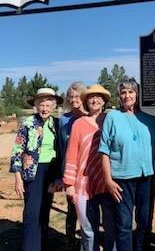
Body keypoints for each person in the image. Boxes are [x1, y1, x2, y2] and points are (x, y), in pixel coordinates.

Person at [99, 77, 155, 251]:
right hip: (121, 180)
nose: (127, 96)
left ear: (137, 94)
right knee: (124, 224)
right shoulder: (112, 117)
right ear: (119, 96)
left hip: (146, 177)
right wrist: (108, 180)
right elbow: (104, 151)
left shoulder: (148, 118)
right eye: (123, 92)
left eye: (131, 92)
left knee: (144, 221)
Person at [63, 83, 115, 251]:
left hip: (108, 182)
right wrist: (69, 184)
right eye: (91, 97)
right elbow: (71, 154)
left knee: (111, 229)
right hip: (84, 183)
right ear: (86, 101)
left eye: (98, 97)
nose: (94, 100)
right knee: (88, 231)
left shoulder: (111, 120)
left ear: (104, 100)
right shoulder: (79, 124)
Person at [10, 87, 63, 251]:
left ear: (53, 106)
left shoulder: (57, 123)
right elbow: (17, 151)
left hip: (51, 171)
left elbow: (61, 149)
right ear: (36, 105)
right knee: (32, 212)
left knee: (45, 210)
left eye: (48, 105)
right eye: (41, 105)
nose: (45, 109)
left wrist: (60, 175)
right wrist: (18, 178)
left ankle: (42, 245)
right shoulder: (28, 123)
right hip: (33, 172)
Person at [59, 82, 87, 251]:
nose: (74, 99)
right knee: (72, 210)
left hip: (88, 172)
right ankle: (70, 244)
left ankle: (88, 243)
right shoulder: (64, 119)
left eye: (77, 96)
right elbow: (62, 148)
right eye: (71, 96)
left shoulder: (90, 116)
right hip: (71, 172)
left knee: (89, 211)